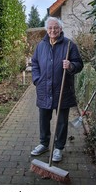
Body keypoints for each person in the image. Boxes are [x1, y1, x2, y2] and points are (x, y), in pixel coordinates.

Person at [31, 16, 83, 162]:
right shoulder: (40, 46)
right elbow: (35, 63)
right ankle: (44, 144)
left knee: (61, 121)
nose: (53, 30)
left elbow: (79, 63)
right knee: (43, 119)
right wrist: (37, 79)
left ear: (60, 29)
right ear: (46, 30)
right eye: (50, 28)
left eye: (56, 28)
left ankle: (58, 148)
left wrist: (71, 65)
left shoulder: (69, 45)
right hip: (44, 89)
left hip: (62, 90)